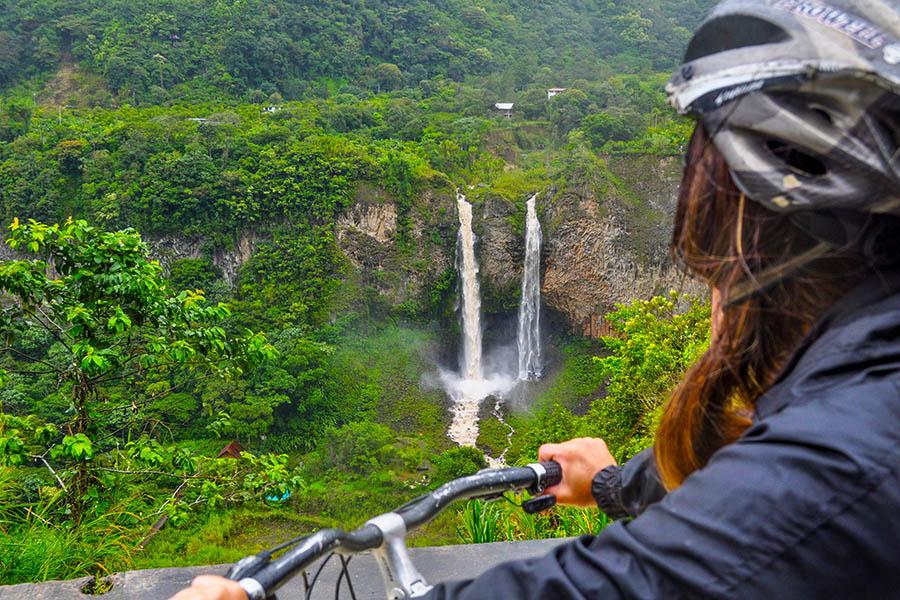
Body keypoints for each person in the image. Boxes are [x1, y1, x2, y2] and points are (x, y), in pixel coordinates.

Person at [170, 0, 900, 598]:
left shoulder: (841, 467)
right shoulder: (858, 396)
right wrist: (617, 483)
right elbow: (752, 470)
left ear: (752, 226)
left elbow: (626, 581)